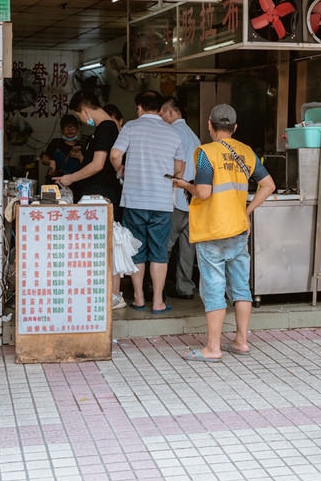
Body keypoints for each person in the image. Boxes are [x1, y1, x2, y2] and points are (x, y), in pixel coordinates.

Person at [173, 104, 275, 362]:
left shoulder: (206, 153)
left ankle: (213, 348)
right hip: (238, 229)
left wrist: (185, 185)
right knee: (241, 287)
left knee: (214, 288)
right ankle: (241, 341)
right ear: (235, 128)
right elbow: (268, 185)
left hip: (212, 231)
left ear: (209, 125)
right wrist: (247, 212)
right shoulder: (246, 151)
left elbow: (204, 192)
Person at [110, 90, 186, 315]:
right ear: (161, 109)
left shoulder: (131, 127)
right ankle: (159, 302)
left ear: (139, 108)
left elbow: (115, 155)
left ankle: (140, 298)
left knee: (137, 250)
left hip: (134, 201)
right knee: (159, 252)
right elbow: (178, 169)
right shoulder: (173, 133)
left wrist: (121, 169)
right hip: (161, 203)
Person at [56, 92, 125, 308]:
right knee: (101, 247)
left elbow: (97, 165)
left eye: (79, 117)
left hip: (102, 196)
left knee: (108, 246)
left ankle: (114, 295)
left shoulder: (106, 128)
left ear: (85, 111)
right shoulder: (102, 129)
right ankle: (106, 293)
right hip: (96, 195)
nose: (81, 121)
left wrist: (69, 178)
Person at [160, 96, 202, 300]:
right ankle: (185, 288)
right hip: (193, 200)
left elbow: (170, 167)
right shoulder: (193, 136)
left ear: (169, 112)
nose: (160, 119)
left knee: (165, 246)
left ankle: (157, 288)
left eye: (161, 114)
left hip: (176, 198)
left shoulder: (172, 133)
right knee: (187, 248)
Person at [40, 114, 83, 182]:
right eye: (66, 127)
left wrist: (81, 157)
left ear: (77, 129)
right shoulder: (55, 142)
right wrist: (51, 162)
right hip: (55, 182)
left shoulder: (81, 146)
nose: (70, 129)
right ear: (62, 129)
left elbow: (88, 166)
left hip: (74, 183)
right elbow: (44, 159)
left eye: (73, 127)